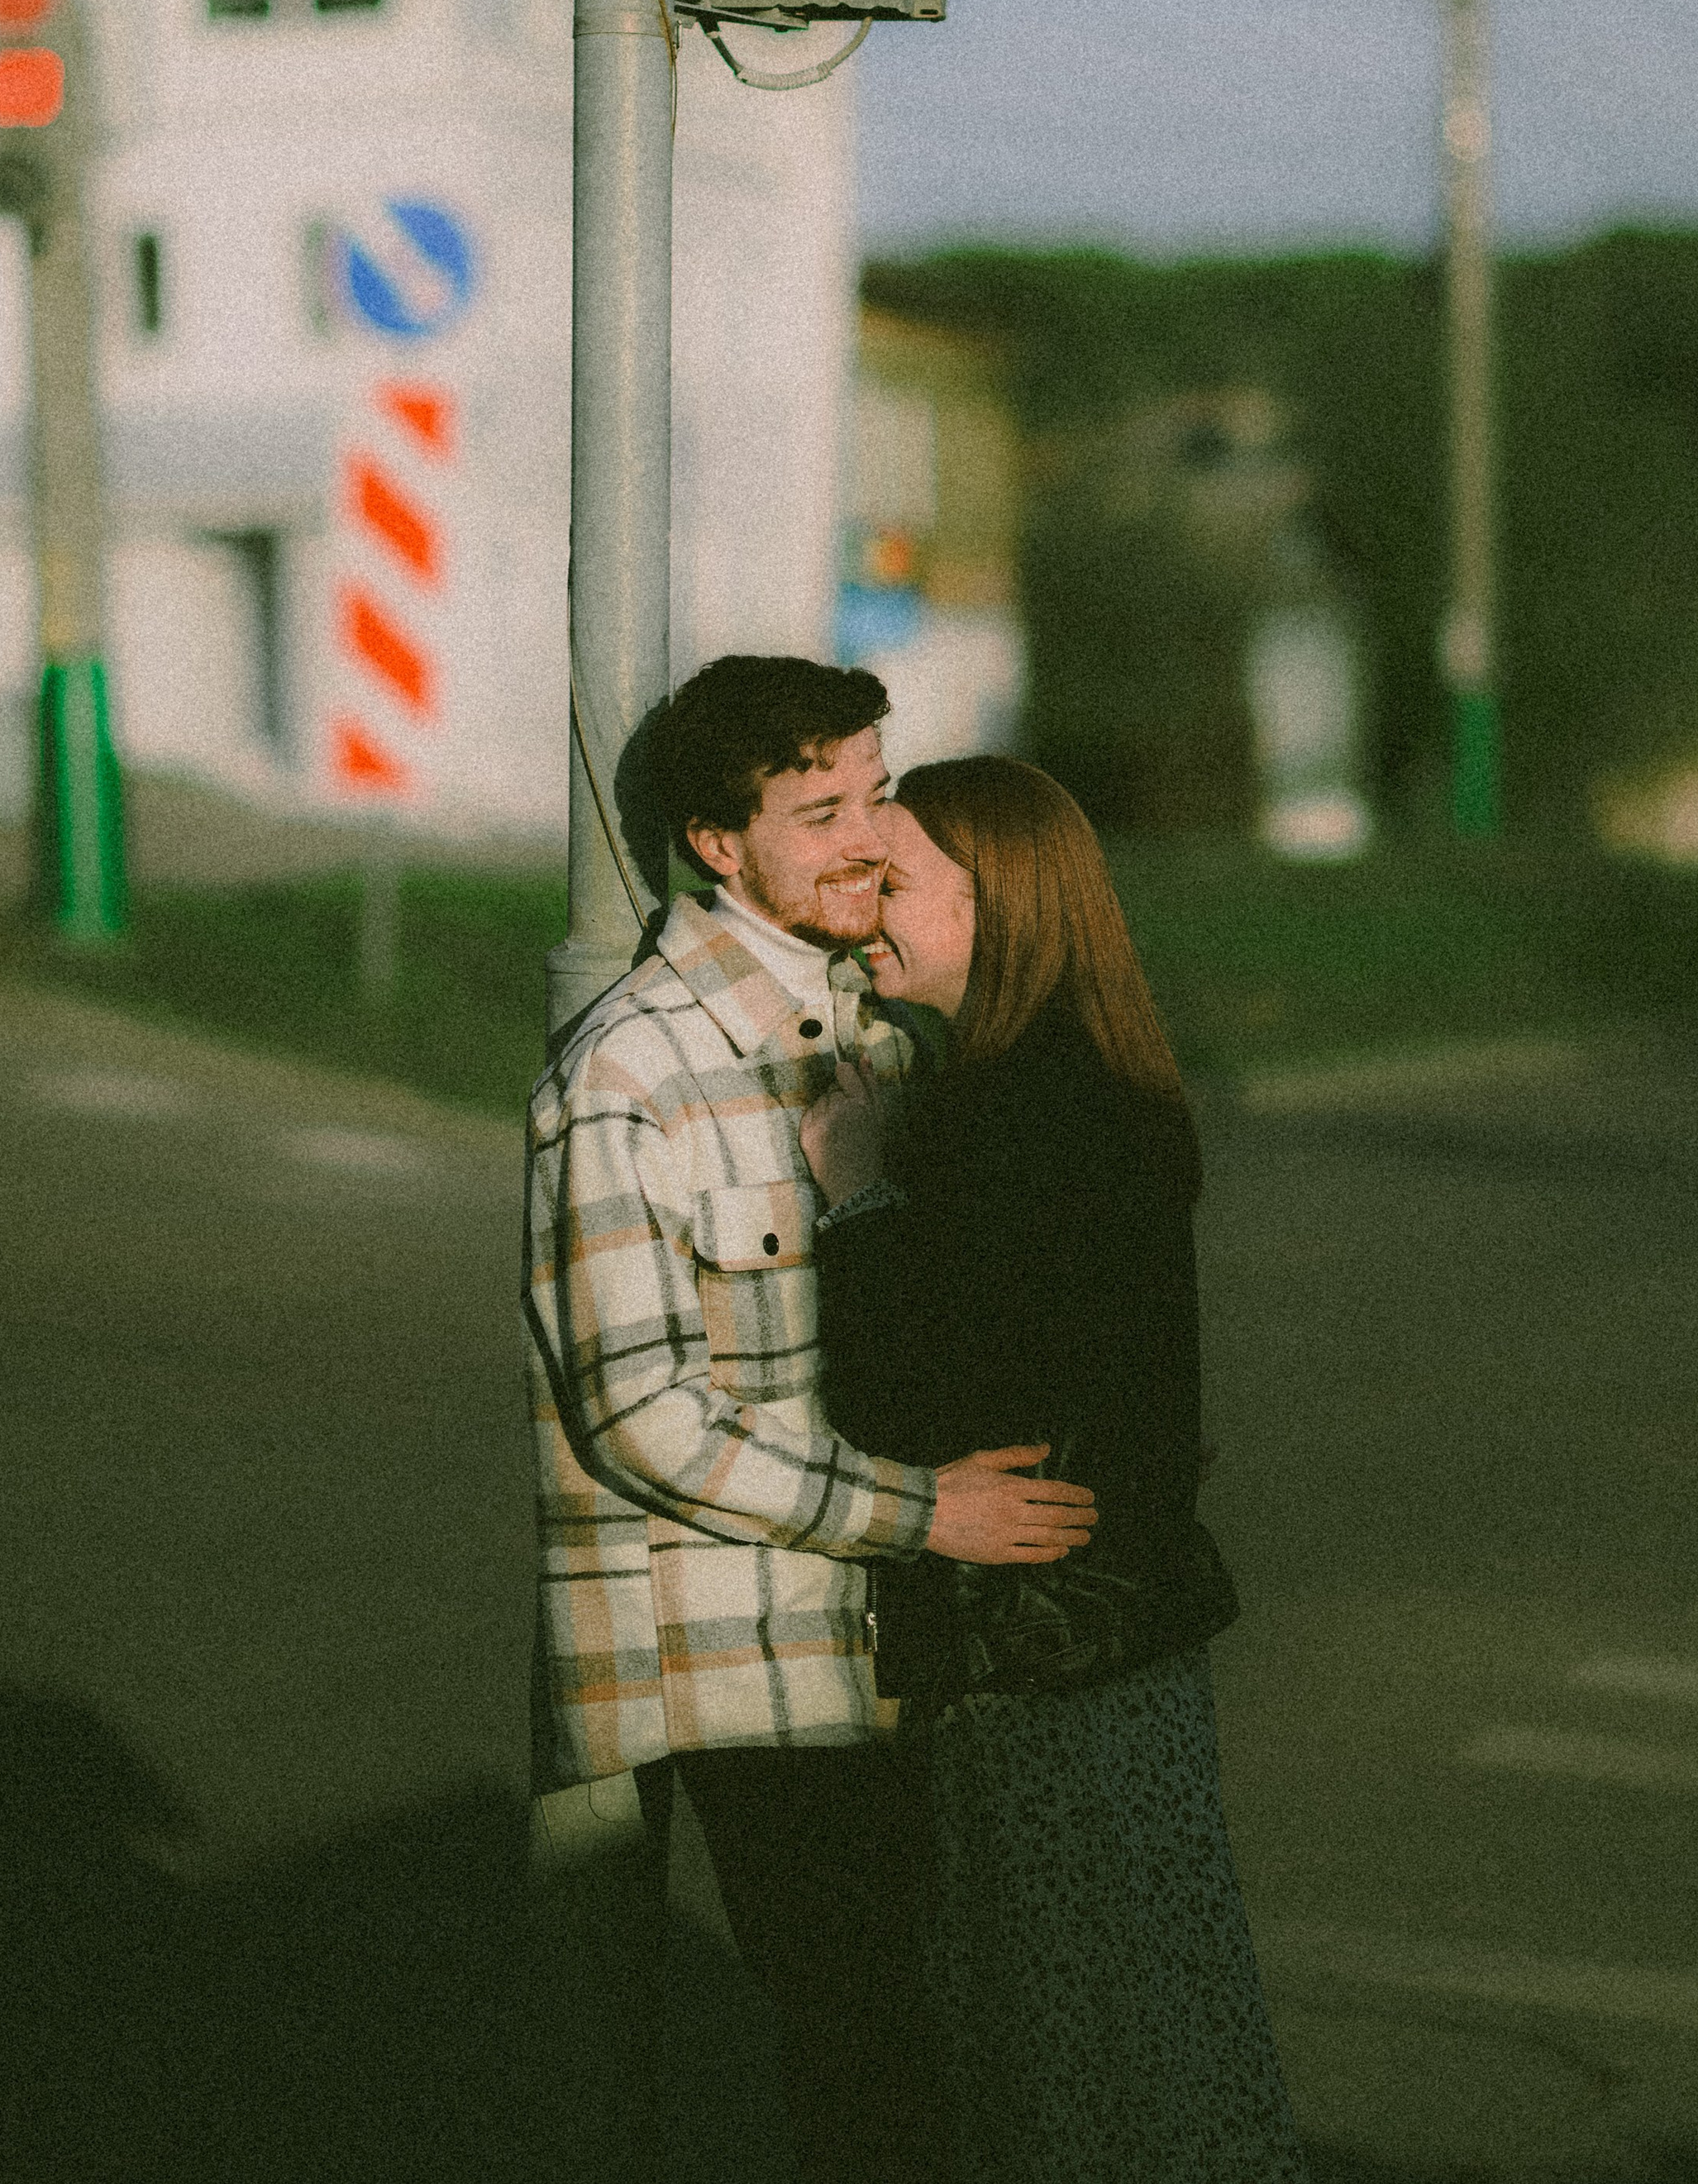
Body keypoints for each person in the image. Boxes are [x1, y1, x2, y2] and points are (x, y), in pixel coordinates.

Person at [522, 658, 1102, 2184]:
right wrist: (928, 1512)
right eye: (821, 809)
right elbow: (641, 1414)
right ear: (720, 844)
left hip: (908, 1638)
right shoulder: (632, 1073)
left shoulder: (878, 1020)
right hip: (751, 1661)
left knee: (946, 2042)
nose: (869, 837)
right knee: (871, 2053)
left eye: (876, 792)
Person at [808, 754, 1311, 2184]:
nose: (866, 912)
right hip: (1114, 1637)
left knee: (1068, 2060)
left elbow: (921, 1400)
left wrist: (857, 1194)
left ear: (1000, 901)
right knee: (1155, 2037)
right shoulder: (1086, 1084)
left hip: (1040, 1657)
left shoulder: (1010, 1116)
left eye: (897, 880)